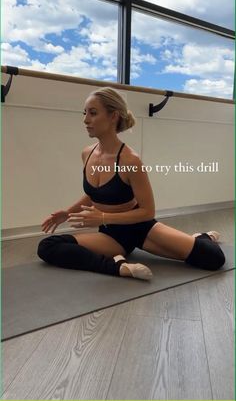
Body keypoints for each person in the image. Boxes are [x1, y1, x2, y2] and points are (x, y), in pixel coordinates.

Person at [38, 87, 225, 280]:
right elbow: (96, 194)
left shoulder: (130, 160)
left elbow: (147, 211)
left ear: (113, 116)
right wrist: (66, 214)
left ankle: (201, 238)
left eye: (93, 113)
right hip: (111, 236)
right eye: (84, 113)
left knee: (213, 258)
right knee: (47, 246)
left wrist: (102, 217)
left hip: (140, 228)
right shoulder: (87, 153)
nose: (85, 119)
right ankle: (118, 267)